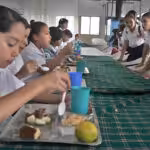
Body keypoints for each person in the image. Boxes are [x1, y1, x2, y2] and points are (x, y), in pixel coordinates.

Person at [0, 6, 70, 123]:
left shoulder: (3, 71)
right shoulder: (28, 53)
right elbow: (27, 90)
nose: (17, 52)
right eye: (11, 43)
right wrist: (39, 85)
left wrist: (64, 99)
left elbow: (20, 91)